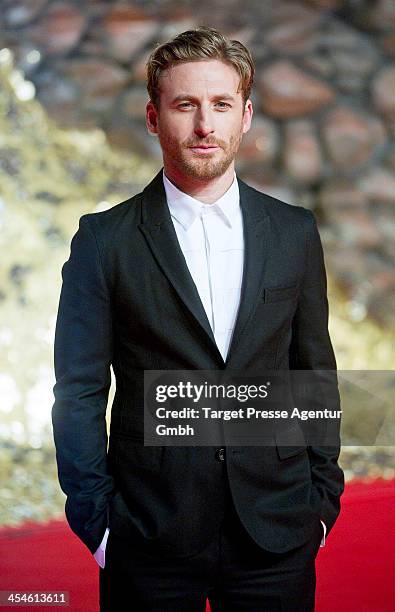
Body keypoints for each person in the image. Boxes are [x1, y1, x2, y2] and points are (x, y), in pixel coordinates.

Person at [52, 26, 344, 612]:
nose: (205, 126)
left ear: (246, 114)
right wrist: (99, 525)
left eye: (221, 105)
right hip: (148, 536)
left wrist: (321, 501)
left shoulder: (293, 233)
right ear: (154, 117)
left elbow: (312, 367)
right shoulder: (103, 241)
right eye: (185, 105)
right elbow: (79, 390)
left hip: (277, 532)